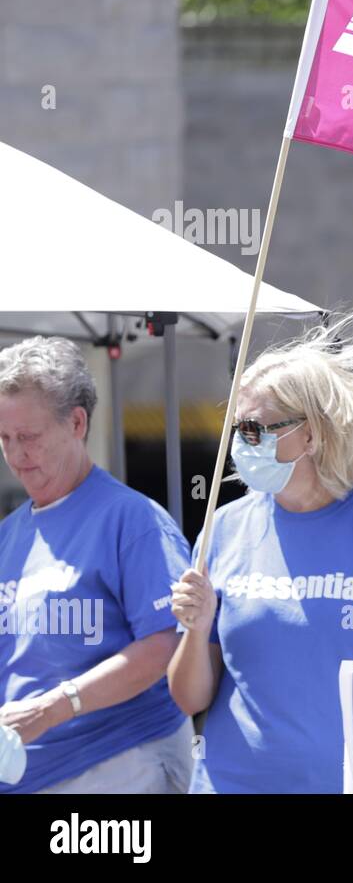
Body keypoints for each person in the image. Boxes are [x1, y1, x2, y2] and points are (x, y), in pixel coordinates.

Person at [167, 313, 353, 793]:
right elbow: (189, 699)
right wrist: (197, 627)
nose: (241, 443)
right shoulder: (223, 528)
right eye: (237, 429)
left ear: (310, 434)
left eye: (254, 429)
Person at [0, 336, 194, 793]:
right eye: (4, 438)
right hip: (24, 774)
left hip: (118, 760)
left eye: (28, 437)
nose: (15, 455)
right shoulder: (9, 535)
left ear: (77, 422)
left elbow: (166, 643)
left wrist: (53, 707)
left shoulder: (133, 520)